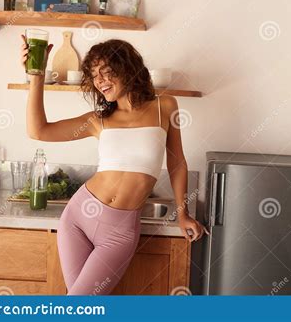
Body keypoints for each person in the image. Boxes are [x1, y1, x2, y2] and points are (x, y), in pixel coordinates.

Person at [20, 36, 209, 295]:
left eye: (106, 72)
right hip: (77, 219)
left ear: (128, 68)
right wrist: (36, 75)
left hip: (118, 232)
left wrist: (182, 212)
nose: (100, 81)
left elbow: (176, 161)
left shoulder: (164, 106)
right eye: (94, 75)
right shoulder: (98, 120)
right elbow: (38, 131)